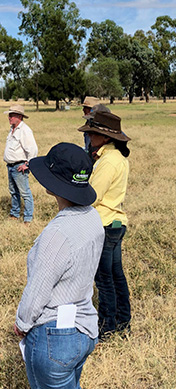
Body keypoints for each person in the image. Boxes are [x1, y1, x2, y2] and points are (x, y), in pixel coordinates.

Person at [15, 142, 103, 389]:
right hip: (83, 327)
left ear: (54, 185)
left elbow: (37, 292)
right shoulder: (93, 220)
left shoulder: (57, 233)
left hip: (52, 336)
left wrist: (20, 325)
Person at [78, 108, 132, 339]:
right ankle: (123, 321)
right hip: (115, 222)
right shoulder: (112, 157)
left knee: (104, 279)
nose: (89, 136)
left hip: (105, 224)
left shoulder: (108, 161)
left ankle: (107, 327)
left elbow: (93, 195)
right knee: (115, 274)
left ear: (106, 137)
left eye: (93, 133)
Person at [3, 104, 39, 224]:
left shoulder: (25, 130)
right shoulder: (13, 128)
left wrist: (27, 165)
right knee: (13, 191)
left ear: (19, 116)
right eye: (9, 115)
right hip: (11, 166)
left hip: (19, 166)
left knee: (25, 193)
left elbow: (32, 149)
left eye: (12, 115)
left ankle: (28, 218)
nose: (9, 117)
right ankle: (15, 213)